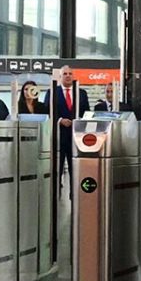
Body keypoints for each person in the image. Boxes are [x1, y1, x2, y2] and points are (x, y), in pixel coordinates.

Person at [43, 65, 90, 196]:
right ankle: (55, 194)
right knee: (56, 168)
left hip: (76, 137)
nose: (68, 76)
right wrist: (60, 120)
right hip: (58, 137)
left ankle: (74, 195)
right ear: (60, 77)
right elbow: (47, 112)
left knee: (75, 168)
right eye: (65, 74)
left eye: (70, 73)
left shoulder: (82, 93)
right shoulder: (52, 92)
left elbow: (86, 113)